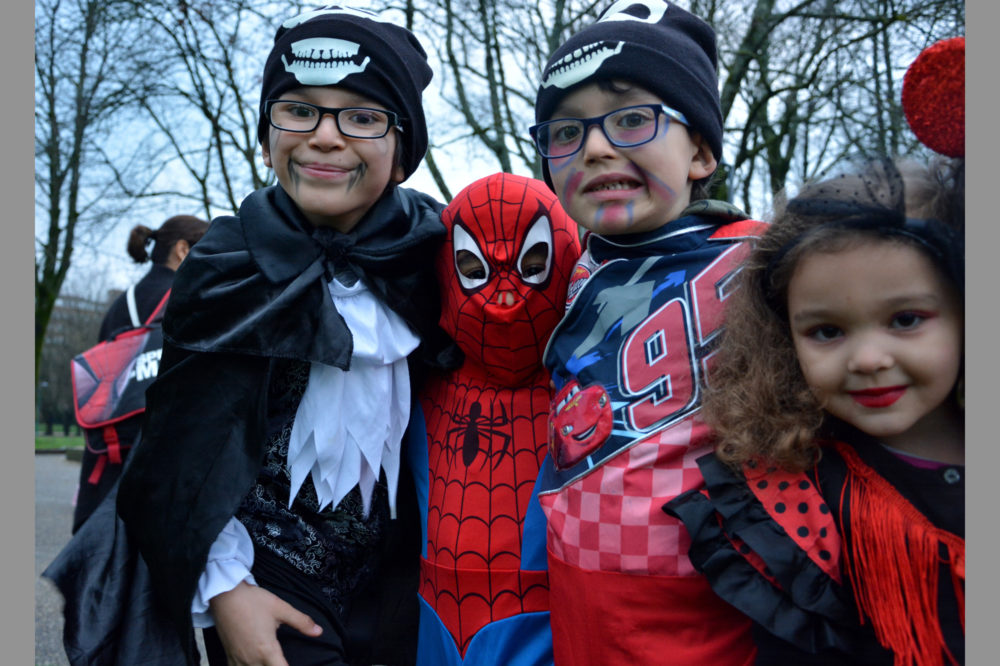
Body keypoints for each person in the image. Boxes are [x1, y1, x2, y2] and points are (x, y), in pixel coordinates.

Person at [48, 5, 460, 665]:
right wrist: (226, 589)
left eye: (361, 116)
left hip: (406, 586)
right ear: (267, 137)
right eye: (298, 110)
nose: (326, 137)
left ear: (405, 151)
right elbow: (181, 454)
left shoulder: (438, 256)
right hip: (268, 579)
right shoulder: (226, 266)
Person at [527, 1, 766, 663]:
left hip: (723, 614)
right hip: (581, 610)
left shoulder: (770, 263)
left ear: (701, 151)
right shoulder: (560, 279)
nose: (596, 146)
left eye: (632, 118)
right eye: (564, 132)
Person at [665, 156, 965, 665]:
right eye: (827, 332)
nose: (869, 360)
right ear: (785, 340)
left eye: (906, 319)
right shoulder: (793, 505)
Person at [404, 172, 580, 665]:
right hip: (430, 622)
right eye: (473, 267)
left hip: (551, 627)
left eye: (533, 263)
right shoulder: (412, 377)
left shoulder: (586, 387)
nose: (504, 295)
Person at [71, 215, 209, 534]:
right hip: (162, 458)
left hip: (109, 454)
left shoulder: (122, 303)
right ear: (183, 250)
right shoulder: (190, 299)